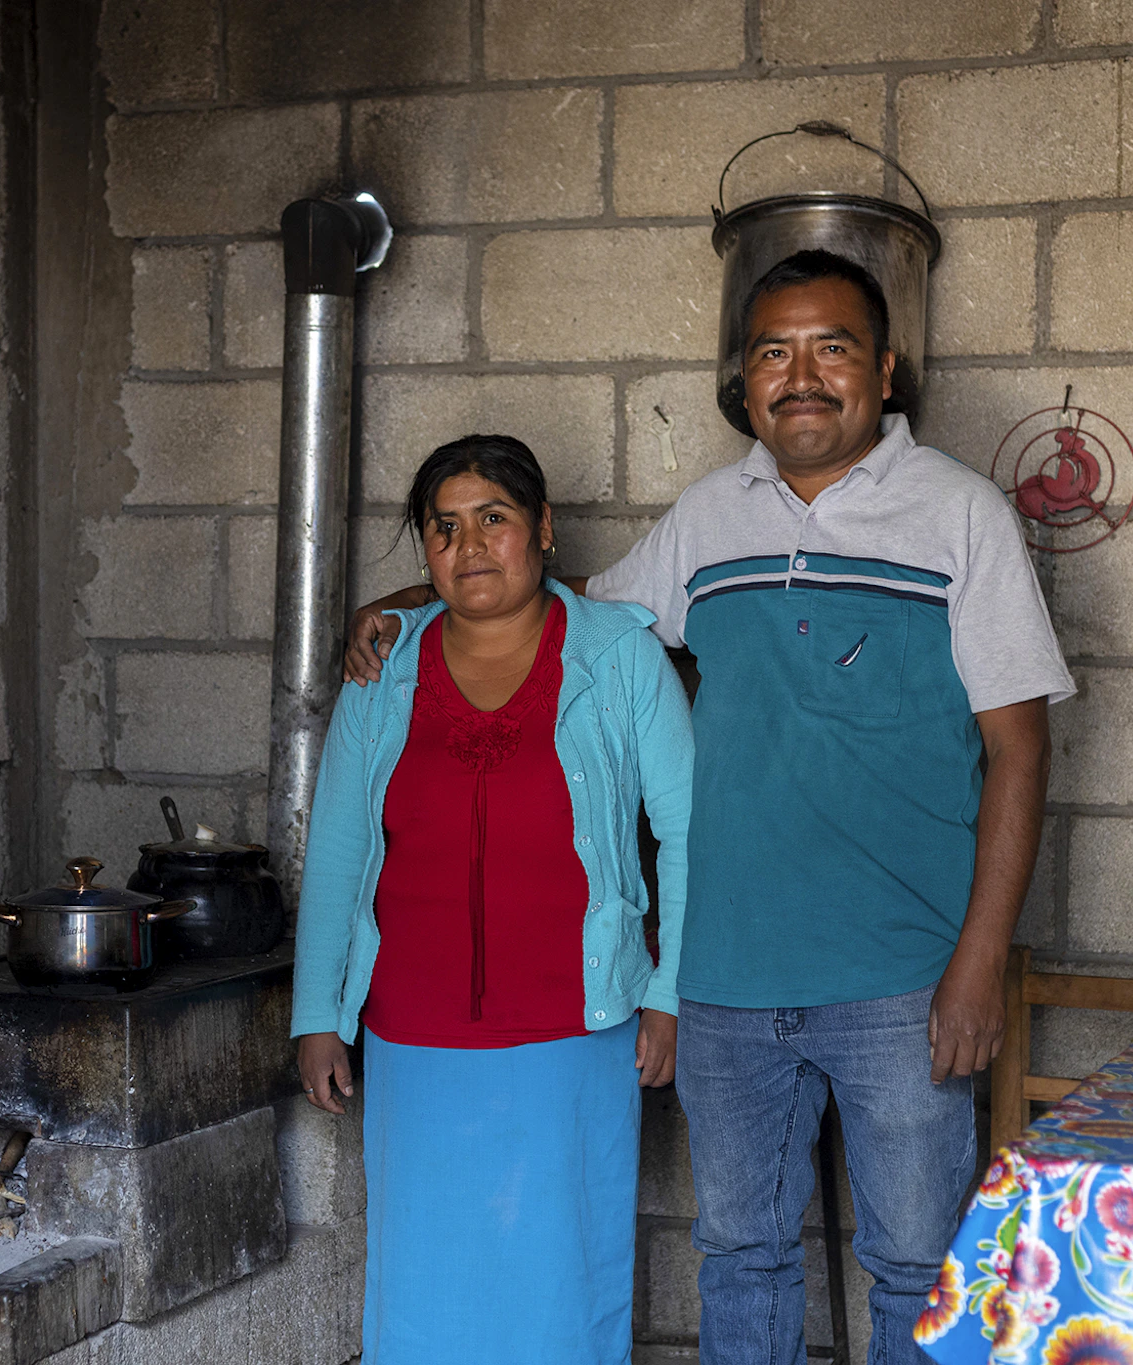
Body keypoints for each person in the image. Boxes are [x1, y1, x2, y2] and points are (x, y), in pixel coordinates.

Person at [341, 252, 1073, 1364]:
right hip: (725, 981)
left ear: (882, 368)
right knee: (739, 1257)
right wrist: (406, 603)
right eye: (772, 352)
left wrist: (978, 962)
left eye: (830, 347)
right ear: (744, 380)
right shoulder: (706, 519)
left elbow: (1019, 752)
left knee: (917, 1270)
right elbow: (567, 606)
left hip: (901, 976)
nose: (801, 376)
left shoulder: (959, 516)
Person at [292, 434, 694, 1365]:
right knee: (428, 1284)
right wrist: (320, 1012)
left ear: (544, 529)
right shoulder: (380, 672)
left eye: (494, 519)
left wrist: (670, 992)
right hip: (415, 1038)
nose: (469, 545)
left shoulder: (619, 657)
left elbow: (689, 836)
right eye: (444, 527)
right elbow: (343, 847)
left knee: (563, 1280)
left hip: (575, 1033)